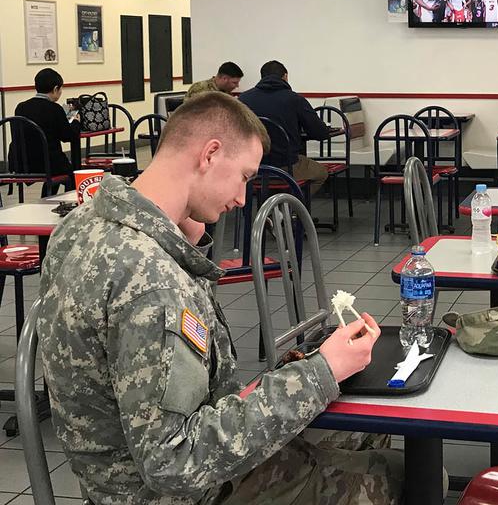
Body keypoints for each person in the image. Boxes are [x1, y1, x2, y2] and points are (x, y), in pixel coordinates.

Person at [34, 91, 403, 505]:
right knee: (406, 475)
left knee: (362, 426)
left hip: (114, 475)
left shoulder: (84, 224)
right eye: (244, 176)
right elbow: (175, 462)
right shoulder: (154, 281)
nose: (243, 198)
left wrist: (180, 240)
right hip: (181, 492)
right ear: (209, 155)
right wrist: (323, 372)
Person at [238, 60, 331, 195]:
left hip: (252, 167)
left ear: (262, 77)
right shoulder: (295, 100)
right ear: (285, 76)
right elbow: (320, 133)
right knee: (321, 173)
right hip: (286, 166)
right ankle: (291, 209)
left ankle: (267, 208)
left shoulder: (243, 99)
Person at [11, 68, 81, 179]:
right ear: (55, 89)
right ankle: (69, 195)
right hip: (49, 164)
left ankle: (47, 194)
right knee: (71, 174)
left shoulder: (21, 107)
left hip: (23, 164)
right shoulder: (55, 109)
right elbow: (68, 136)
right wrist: (76, 122)